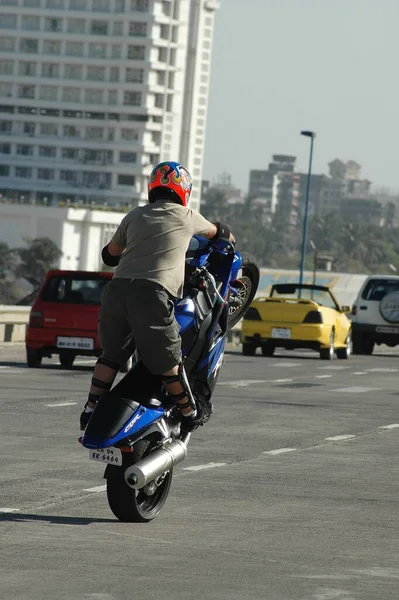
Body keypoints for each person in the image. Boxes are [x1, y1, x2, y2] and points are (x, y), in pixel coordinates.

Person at [80, 161, 234, 433]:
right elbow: (218, 233)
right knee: (167, 361)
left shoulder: (134, 216)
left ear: (152, 188)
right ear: (183, 190)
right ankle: (189, 411)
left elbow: (109, 255)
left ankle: (90, 408)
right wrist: (227, 236)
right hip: (152, 292)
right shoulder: (185, 215)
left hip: (116, 291)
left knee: (111, 356)